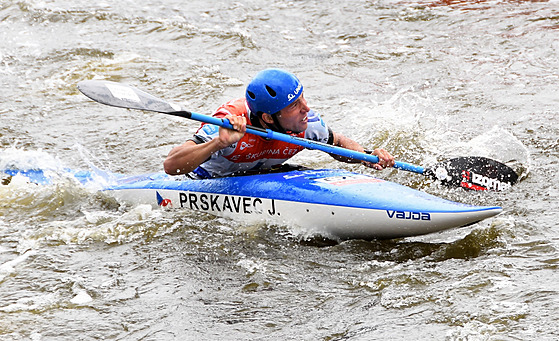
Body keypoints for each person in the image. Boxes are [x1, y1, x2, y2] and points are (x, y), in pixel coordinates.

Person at [164, 68, 394, 178]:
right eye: (294, 105)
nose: (307, 109)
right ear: (267, 118)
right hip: (207, 180)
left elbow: (337, 143)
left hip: (265, 174)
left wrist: (367, 156)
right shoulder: (230, 124)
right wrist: (217, 144)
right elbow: (171, 166)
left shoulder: (306, 123)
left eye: (303, 98)